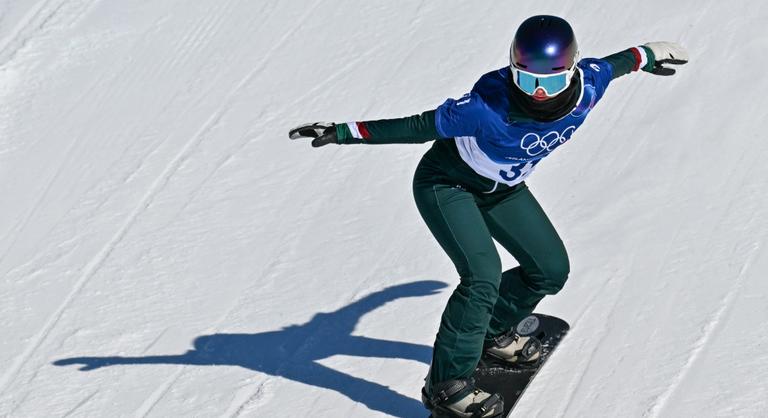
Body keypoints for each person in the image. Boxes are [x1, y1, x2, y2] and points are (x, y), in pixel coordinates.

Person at [290, 15, 687, 418]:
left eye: (549, 83)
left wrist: (648, 55)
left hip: (503, 190)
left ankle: (492, 330)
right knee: (482, 277)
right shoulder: (485, 107)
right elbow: (416, 127)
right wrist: (342, 131)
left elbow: (619, 62)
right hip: (448, 186)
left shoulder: (589, 84)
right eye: (526, 79)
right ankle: (446, 386)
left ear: (571, 71)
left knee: (549, 269)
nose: (537, 94)